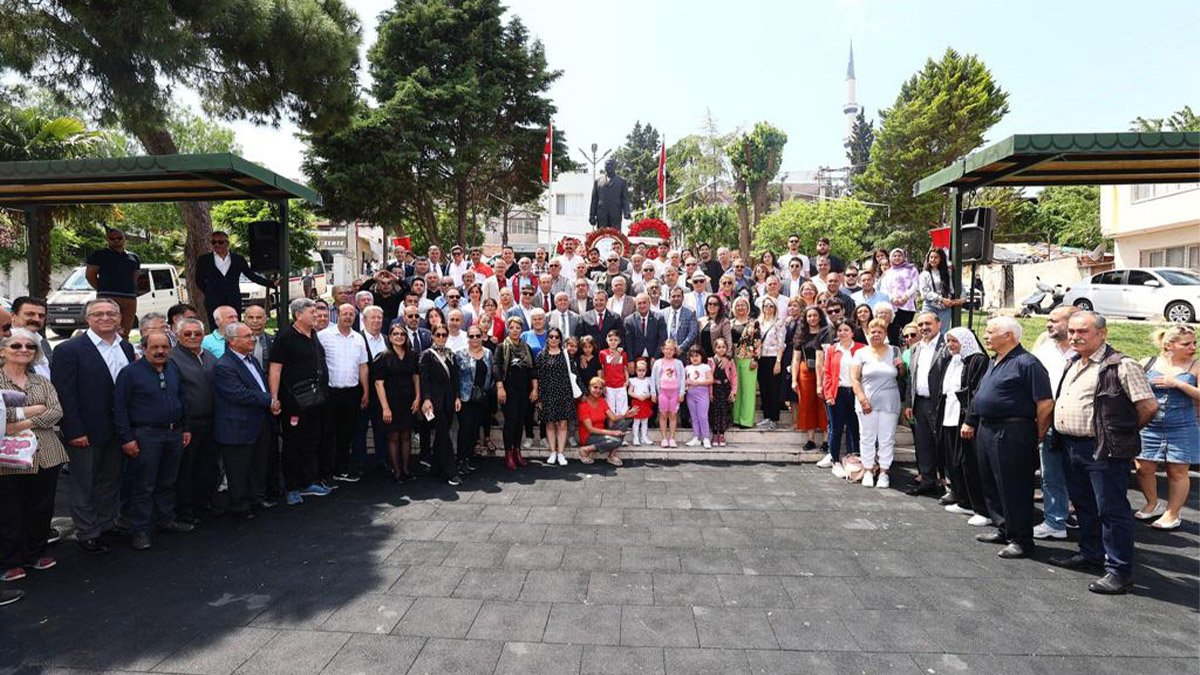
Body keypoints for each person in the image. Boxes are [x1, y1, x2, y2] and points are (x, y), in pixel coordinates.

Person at [1047, 312, 1157, 593]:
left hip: (1103, 450)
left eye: (1082, 331)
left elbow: (1148, 407)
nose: (1075, 336)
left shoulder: (1121, 365)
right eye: (1071, 331)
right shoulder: (1073, 362)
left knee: (1111, 510)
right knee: (1084, 505)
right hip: (1071, 446)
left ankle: (1119, 570)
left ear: (1103, 333)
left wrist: (1118, 434)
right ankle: (1091, 554)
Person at [51, 298, 135, 555]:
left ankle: (107, 524)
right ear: (88, 319)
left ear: (120, 318)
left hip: (118, 429)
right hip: (85, 431)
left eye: (111, 313)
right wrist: (74, 430)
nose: (106, 318)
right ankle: (87, 532)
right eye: (98, 314)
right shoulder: (69, 350)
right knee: (83, 483)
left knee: (110, 479)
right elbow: (65, 394)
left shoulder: (127, 348)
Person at [966, 316, 1054, 560]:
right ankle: (1004, 527)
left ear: (1009, 336)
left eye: (991, 331)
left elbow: (1045, 403)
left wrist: (1037, 433)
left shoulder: (1028, 363)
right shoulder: (995, 361)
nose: (985, 335)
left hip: (1013, 431)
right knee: (992, 483)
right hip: (987, 429)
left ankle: (1021, 539)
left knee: (1013, 486)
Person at [112, 332, 194, 551]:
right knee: (143, 484)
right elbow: (119, 407)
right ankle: (140, 529)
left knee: (168, 480)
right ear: (144, 348)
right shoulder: (130, 373)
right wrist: (127, 438)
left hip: (173, 433)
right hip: (145, 435)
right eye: (155, 347)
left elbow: (181, 399)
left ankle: (166, 520)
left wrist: (185, 427)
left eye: (165, 347)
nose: (160, 351)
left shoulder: (172, 368)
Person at [0, 328, 66, 582]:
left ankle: (36, 553)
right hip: (8, 456)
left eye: (29, 347)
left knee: (41, 506)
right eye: (16, 346)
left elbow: (56, 411)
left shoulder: (42, 381)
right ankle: (10, 561)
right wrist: (31, 412)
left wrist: (20, 422)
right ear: (3, 350)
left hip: (45, 452)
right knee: (9, 509)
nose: (24, 350)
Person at [1134, 325, 1199, 530]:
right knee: (1143, 468)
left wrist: (1179, 384)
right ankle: (1152, 504)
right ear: (1169, 345)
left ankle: (1173, 513)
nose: (1193, 347)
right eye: (1186, 343)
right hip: (1149, 424)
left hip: (1182, 425)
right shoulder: (1148, 363)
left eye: (1194, 343)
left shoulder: (1196, 365)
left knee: (1177, 471)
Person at [268, 298, 331, 506]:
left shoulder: (313, 334)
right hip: (293, 402)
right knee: (293, 444)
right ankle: (292, 487)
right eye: (312, 312)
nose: (317, 315)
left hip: (315, 400)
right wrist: (274, 397)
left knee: (311, 441)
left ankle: (307, 482)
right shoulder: (285, 337)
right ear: (298, 315)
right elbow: (275, 369)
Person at [212, 322, 275, 520]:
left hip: (257, 422)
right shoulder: (224, 365)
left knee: (258, 463)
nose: (252, 339)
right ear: (232, 341)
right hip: (237, 425)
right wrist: (269, 400)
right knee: (238, 468)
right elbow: (238, 394)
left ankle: (256, 497)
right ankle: (239, 505)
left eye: (252, 335)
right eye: (247, 336)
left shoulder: (252, 360)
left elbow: (260, 385)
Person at [1030, 306, 1080, 540]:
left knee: (1082, 475)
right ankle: (1055, 520)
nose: (1049, 324)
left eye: (1054, 320)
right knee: (1051, 474)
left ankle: (1084, 519)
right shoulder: (1043, 347)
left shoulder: (1085, 351)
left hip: (1078, 422)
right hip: (1048, 418)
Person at [168, 318, 220, 524]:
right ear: (178, 336)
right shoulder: (173, 358)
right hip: (189, 424)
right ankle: (186, 510)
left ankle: (204, 503)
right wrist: (183, 425)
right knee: (186, 468)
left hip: (211, 419)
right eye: (187, 334)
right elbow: (175, 394)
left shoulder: (209, 356)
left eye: (197, 334)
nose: (192, 337)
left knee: (208, 465)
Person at [937, 327, 990, 521]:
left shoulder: (977, 360)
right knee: (953, 461)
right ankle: (963, 500)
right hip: (949, 416)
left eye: (954, 341)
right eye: (948, 341)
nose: (950, 345)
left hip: (965, 419)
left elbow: (975, 392)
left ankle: (981, 509)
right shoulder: (954, 360)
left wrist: (970, 420)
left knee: (969, 463)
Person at [319, 304, 370, 484]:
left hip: (352, 393)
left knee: (346, 433)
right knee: (327, 434)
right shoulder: (324, 336)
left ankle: (341, 469)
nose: (348, 317)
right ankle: (325, 472)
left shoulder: (359, 338)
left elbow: (363, 366)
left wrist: (365, 392)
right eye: (345, 314)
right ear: (338, 315)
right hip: (330, 393)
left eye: (351, 314)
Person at [850, 318, 904, 488]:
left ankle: (884, 472)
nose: (876, 335)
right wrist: (862, 398)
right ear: (867, 334)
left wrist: (902, 367)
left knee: (886, 438)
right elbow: (854, 378)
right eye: (873, 332)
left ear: (885, 334)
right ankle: (867, 469)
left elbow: (901, 375)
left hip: (889, 402)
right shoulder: (861, 353)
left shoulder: (895, 351)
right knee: (867, 436)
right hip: (867, 402)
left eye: (880, 332)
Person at [904, 311, 949, 497]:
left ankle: (948, 484)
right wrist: (909, 403)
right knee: (923, 444)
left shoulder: (946, 346)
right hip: (919, 403)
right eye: (920, 324)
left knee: (943, 444)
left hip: (940, 403)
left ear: (938, 324)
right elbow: (911, 379)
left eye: (927, 324)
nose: (924, 328)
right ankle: (927, 479)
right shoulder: (916, 348)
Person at [195, 230, 274, 327]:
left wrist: (271, 283)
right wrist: (210, 291)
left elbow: (251, 275)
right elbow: (199, 280)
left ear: (227, 243)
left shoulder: (238, 259)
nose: (217, 245)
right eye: (213, 242)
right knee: (215, 326)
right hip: (213, 301)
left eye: (220, 242)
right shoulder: (204, 260)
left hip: (233, 298)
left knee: (235, 326)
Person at [375, 325, 420, 482]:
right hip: (391, 402)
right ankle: (397, 471)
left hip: (408, 401)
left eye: (402, 334)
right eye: (395, 334)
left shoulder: (412, 355)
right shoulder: (383, 356)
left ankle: (406, 469)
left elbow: (416, 377)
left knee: (407, 435)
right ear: (390, 336)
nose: (399, 336)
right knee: (393, 436)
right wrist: (385, 408)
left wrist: (418, 397)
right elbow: (379, 384)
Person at [821, 320, 864, 478]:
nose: (843, 333)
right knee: (836, 427)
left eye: (846, 330)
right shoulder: (832, 349)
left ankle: (854, 457)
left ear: (853, 332)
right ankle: (834, 459)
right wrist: (829, 394)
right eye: (840, 330)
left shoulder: (861, 349)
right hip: (837, 391)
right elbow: (827, 373)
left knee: (855, 425)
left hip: (855, 392)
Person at [420, 324, 462, 486]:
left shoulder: (450, 354)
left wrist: (457, 397)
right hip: (434, 403)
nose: (441, 338)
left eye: (444, 335)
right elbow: (424, 379)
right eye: (438, 335)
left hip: (449, 401)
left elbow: (455, 378)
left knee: (441, 434)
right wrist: (426, 399)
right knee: (444, 435)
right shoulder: (426, 355)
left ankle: (436, 468)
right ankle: (452, 472)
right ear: (432, 336)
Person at [495, 317, 536, 470]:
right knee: (511, 421)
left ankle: (517, 451)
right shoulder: (501, 347)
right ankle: (508, 453)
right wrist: (500, 387)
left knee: (520, 422)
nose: (515, 330)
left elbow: (533, 370)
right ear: (508, 329)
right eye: (512, 328)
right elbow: (497, 367)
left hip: (524, 390)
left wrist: (534, 388)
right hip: (508, 390)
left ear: (521, 330)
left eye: (518, 328)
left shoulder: (527, 348)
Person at [85, 227, 141, 336]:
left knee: (124, 333)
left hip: (129, 298)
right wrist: (102, 290)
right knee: (105, 331)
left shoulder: (134, 257)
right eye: (112, 238)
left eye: (119, 238)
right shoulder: (99, 255)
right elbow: (90, 275)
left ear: (125, 239)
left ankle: (123, 351)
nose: (116, 240)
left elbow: (135, 277)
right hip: (107, 297)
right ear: (107, 240)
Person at [455, 326, 493, 475]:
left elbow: (491, 374)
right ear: (468, 338)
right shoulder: (460, 354)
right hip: (465, 397)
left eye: (478, 335)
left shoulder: (488, 353)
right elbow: (455, 378)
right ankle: (460, 460)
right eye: (472, 336)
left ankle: (468, 459)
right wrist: (457, 396)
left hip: (481, 397)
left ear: (482, 336)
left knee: (474, 429)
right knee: (465, 428)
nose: (475, 339)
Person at [535, 327, 576, 466]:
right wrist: (539, 397)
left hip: (564, 393)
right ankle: (553, 452)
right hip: (547, 394)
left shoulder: (566, 355)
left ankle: (561, 453)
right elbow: (538, 377)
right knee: (550, 424)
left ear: (560, 339)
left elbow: (573, 375)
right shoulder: (541, 355)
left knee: (563, 424)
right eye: (551, 336)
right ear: (547, 338)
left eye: (556, 337)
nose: (553, 339)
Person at [791, 307, 828, 450]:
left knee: (823, 405)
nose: (812, 318)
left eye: (815, 315)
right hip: (805, 371)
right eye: (809, 316)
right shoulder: (801, 335)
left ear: (820, 317)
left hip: (824, 371)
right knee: (806, 405)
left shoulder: (827, 332)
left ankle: (826, 440)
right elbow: (795, 359)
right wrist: (794, 379)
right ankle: (810, 439)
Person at [577, 377, 634, 466]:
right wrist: (612, 432)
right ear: (589, 388)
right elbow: (590, 429)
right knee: (617, 441)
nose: (598, 390)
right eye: (595, 387)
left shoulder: (602, 401)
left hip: (602, 434)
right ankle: (585, 449)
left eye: (600, 388)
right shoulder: (583, 405)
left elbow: (613, 418)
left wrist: (625, 415)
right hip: (588, 437)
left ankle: (611, 456)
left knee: (625, 421)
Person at [756, 297, 787, 430]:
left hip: (774, 357)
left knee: (774, 389)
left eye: (771, 306)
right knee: (764, 389)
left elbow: (781, 344)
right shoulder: (759, 322)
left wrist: (778, 362)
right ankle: (766, 416)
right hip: (761, 358)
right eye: (766, 306)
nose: (768, 308)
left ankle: (774, 418)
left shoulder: (779, 323)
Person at [730, 297, 759, 429]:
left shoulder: (754, 323)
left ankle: (746, 420)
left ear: (748, 308)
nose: (740, 308)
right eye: (738, 306)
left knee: (748, 389)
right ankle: (736, 418)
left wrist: (755, 359)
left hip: (748, 357)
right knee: (736, 388)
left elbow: (757, 342)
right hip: (733, 358)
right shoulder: (730, 323)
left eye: (743, 305)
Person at [918, 248, 962, 333]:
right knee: (927, 330)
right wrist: (941, 299)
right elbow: (925, 292)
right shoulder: (924, 274)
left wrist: (951, 300)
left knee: (943, 331)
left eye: (936, 257)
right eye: (931, 257)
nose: (933, 260)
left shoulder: (946, 272)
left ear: (941, 259)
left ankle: (941, 346)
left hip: (944, 307)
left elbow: (951, 288)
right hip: (930, 305)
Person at [651, 340, 685, 448]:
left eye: (671, 349)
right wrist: (653, 393)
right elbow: (653, 379)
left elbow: (682, 378)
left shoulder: (678, 363)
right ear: (662, 350)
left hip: (674, 392)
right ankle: (664, 438)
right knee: (663, 415)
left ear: (674, 350)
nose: (669, 351)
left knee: (673, 415)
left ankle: (672, 438)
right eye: (667, 349)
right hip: (662, 392)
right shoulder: (658, 363)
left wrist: (681, 393)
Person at [10, 297, 52, 379]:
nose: (37, 319)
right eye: (30, 314)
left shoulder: (43, 343)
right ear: (13, 316)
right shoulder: (4, 343)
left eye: (41, 316)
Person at [880, 248, 919, 330]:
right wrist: (892, 298)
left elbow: (915, 284)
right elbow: (884, 288)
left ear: (903, 257)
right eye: (894, 256)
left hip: (907, 305)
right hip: (892, 306)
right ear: (891, 258)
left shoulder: (911, 269)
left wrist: (906, 296)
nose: (897, 258)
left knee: (907, 329)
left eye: (899, 255)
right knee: (893, 330)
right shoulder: (888, 272)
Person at [684, 346, 714, 448]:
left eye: (697, 355)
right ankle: (696, 437)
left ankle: (706, 438)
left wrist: (699, 383)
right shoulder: (687, 368)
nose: (694, 358)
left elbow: (710, 380)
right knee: (694, 417)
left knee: (703, 416)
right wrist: (686, 383)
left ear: (702, 356)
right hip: (690, 395)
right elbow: (684, 381)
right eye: (692, 356)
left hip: (702, 394)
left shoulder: (705, 367)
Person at [627, 358, 654, 446]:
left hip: (645, 402)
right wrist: (638, 396)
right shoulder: (633, 380)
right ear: (636, 370)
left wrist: (647, 395)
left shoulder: (648, 380)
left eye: (643, 370)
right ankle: (635, 438)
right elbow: (630, 392)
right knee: (636, 421)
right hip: (637, 402)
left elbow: (651, 391)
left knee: (645, 421)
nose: (641, 372)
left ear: (646, 370)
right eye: (639, 370)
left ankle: (644, 437)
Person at [697, 294, 732, 361]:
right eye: (709, 304)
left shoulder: (724, 321)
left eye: (715, 304)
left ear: (719, 306)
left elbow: (728, 340)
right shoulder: (700, 321)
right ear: (706, 306)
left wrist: (727, 357)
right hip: (702, 358)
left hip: (718, 358)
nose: (712, 306)